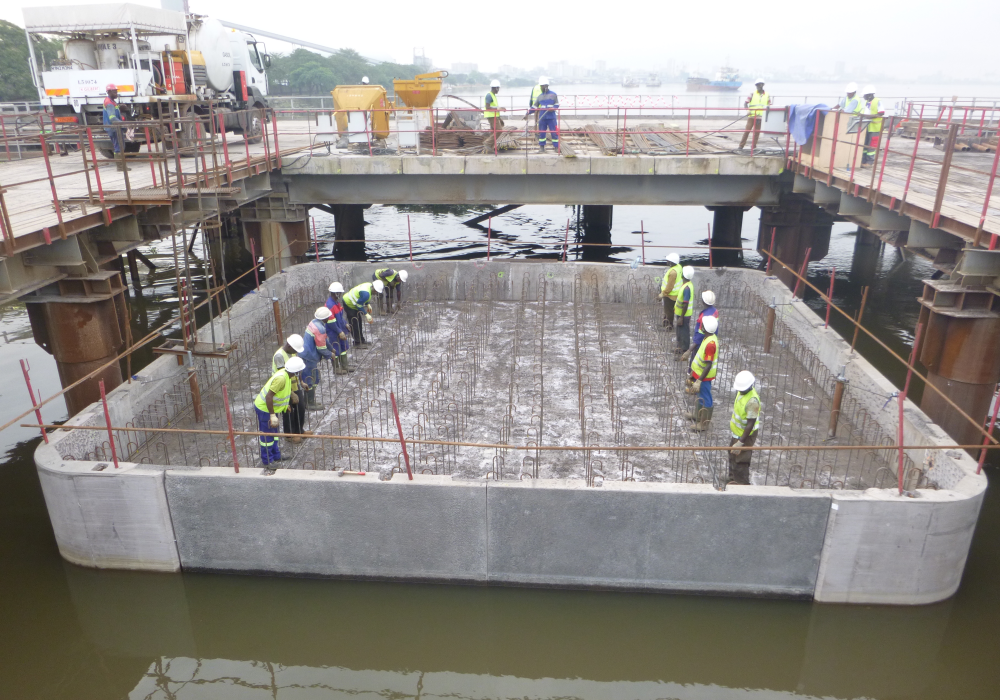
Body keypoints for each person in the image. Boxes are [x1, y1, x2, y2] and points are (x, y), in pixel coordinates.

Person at [253, 355, 305, 467]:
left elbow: (282, 394)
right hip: (265, 408)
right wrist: (272, 415)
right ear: (296, 371)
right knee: (267, 436)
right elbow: (269, 396)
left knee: (274, 433)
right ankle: (267, 461)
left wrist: (285, 406)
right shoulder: (281, 378)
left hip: (271, 408)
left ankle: (276, 455)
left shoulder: (286, 375)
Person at [685, 315, 719, 432]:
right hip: (699, 374)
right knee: (700, 395)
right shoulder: (708, 337)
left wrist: (699, 380)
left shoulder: (710, 344)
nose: (701, 325)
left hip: (704, 377)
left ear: (705, 328)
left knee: (706, 397)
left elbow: (708, 364)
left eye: (702, 324)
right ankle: (698, 416)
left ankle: (704, 424)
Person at [272, 334, 309, 442]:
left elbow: (297, 368)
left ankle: (299, 431)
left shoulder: (292, 352)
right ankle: (289, 435)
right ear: (289, 345)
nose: (295, 351)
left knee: (301, 407)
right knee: (288, 410)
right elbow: (283, 375)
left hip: (294, 384)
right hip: (283, 387)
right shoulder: (279, 356)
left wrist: (301, 381)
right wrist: (291, 393)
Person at [729, 370, 762, 485]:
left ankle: (742, 485)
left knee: (741, 461)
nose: (740, 391)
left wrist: (741, 442)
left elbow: (750, 424)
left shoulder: (752, 401)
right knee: (732, 455)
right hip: (737, 433)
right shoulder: (742, 391)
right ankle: (732, 479)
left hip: (745, 436)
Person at [300, 307, 335, 411]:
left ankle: (308, 401)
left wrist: (331, 348)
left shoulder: (313, 323)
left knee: (312, 377)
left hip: (305, 354)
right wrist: (330, 354)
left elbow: (324, 340)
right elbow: (321, 348)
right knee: (310, 379)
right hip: (309, 357)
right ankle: (309, 403)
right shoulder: (320, 328)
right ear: (325, 318)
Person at [681, 290, 719, 363]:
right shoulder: (715, 311)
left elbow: (700, 335)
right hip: (711, 341)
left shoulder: (704, 317)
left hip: (701, 345)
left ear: (704, 301)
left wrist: (689, 350)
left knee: (696, 364)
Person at [343, 280, 384, 348]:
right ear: (373, 288)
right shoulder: (366, 294)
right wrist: (366, 314)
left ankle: (361, 340)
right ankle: (357, 343)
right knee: (354, 322)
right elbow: (359, 305)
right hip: (348, 303)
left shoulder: (369, 286)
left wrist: (367, 304)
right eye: (376, 291)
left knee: (359, 321)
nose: (376, 293)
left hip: (353, 302)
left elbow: (361, 297)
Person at [325, 282, 353, 375]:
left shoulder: (336, 303)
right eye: (339, 293)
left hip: (339, 329)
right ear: (336, 293)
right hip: (333, 331)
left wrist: (345, 324)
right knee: (335, 348)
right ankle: (336, 368)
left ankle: (345, 366)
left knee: (343, 347)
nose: (340, 295)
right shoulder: (330, 305)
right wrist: (339, 331)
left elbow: (340, 317)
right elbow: (331, 322)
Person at [738, 79, 771, 152]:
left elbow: (769, 105)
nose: (758, 86)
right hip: (752, 116)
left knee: (756, 133)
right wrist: (747, 110)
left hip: (760, 117)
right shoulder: (752, 94)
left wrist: (767, 116)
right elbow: (745, 103)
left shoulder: (767, 95)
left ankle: (753, 147)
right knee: (747, 131)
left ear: (762, 85)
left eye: (759, 85)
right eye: (757, 85)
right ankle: (741, 146)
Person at [102, 83, 130, 171]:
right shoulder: (109, 103)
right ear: (109, 92)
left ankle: (121, 166)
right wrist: (123, 124)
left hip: (114, 128)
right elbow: (112, 118)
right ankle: (121, 167)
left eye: (116, 92)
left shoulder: (111, 101)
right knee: (119, 146)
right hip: (114, 128)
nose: (116, 94)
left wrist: (120, 108)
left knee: (120, 146)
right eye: (114, 92)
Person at [529, 79, 560, 153]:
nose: (541, 88)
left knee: (554, 132)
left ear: (546, 86)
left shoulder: (553, 95)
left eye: (542, 86)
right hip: (542, 117)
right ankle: (542, 147)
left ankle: (556, 147)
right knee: (542, 132)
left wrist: (553, 108)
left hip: (551, 117)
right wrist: (528, 113)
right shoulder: (540, 96)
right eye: (540, 86)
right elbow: (534, 106)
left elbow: (557, 104)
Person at [673, 266, 695, 358]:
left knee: (684, 332)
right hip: (681, 313)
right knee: (680, 331)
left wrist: (681, 317)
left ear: (683, 275)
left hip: (684, 315)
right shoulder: (687, 285)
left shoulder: (686, 288)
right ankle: (679, 348)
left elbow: (685, 304)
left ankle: (684, 350)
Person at [860, 85, 884, 166]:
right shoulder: (867, 102)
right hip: (867, 126)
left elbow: (881, 113)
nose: (864, 97)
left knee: (872, 145)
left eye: (865, 95)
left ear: (869, 94)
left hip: (875, 128)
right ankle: (863, 160)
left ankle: (869, 162)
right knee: (865, 144)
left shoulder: (877, 101)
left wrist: (871, 116)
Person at [658, 253, 683, 329]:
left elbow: (669, 287)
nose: (667, 262)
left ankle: (669, 325)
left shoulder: (673, 272)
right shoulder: (679, 267)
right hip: (674, 294)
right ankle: (665, 322)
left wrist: (662, 294)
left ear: (672, 262)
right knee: (667, 310)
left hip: (670, 295)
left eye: (668, 261)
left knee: (669, 311)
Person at [484, 79, 506, 151]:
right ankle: (487, 143)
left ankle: (490, 148)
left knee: (493, 131)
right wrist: (498, 108)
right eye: (498, 88)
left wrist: (499, 118)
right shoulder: (489, 95)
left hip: (494, 116)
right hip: (491, 116)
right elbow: (488, 107)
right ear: (495, 88)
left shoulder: (493, 95)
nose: (498, 90)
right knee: (499, 130)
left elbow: (494, 107)